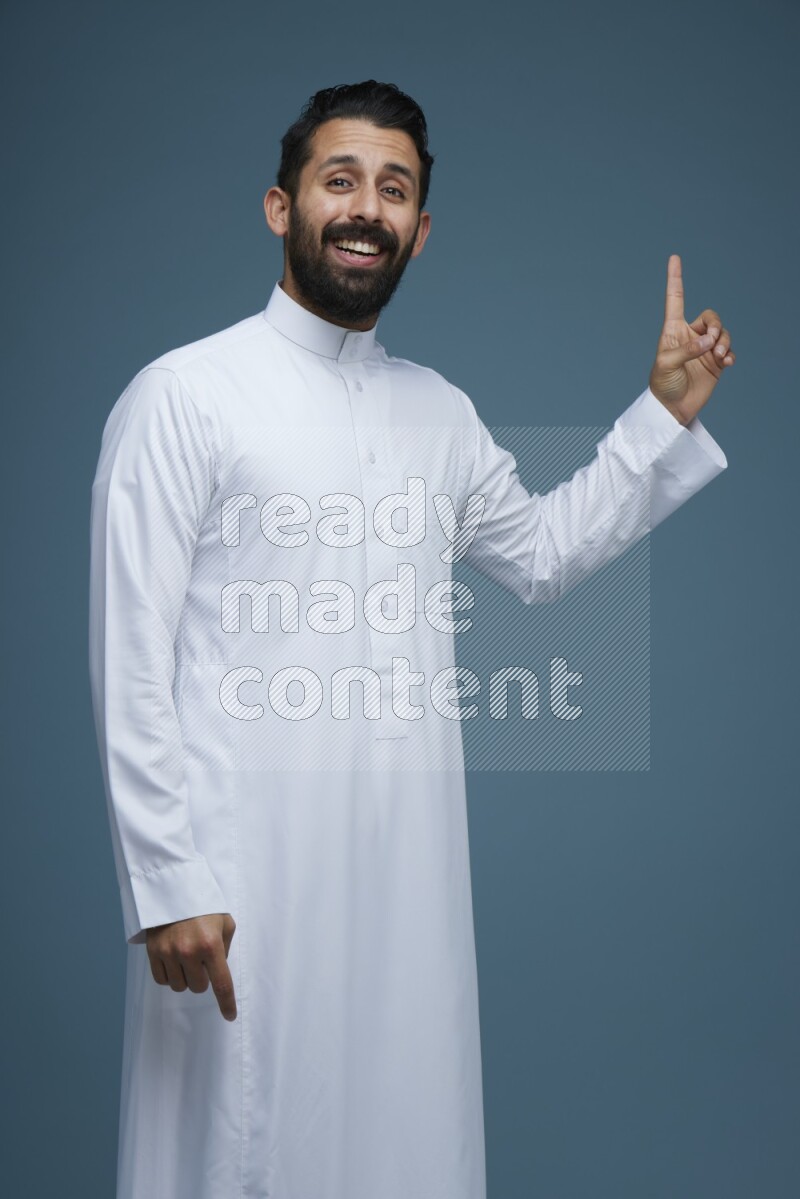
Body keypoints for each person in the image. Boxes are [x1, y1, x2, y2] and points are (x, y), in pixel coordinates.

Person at [89, 80, 734, 1199]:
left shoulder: (437, 411)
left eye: (393, 190)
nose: (364, 208)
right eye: (338, 179)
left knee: (403, 1148)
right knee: (229, 1153)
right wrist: (165, 877)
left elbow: (539, 552)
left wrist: (659, 417)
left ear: (418, 232)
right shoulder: (184, 395)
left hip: (404, 888)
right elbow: (129, 649)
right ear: (279, 206)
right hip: (237, 888)